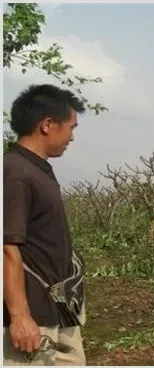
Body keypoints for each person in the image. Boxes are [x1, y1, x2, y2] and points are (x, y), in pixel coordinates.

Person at [3, 84, 87, 365]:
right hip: (32, 319)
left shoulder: (36, 170)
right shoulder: (14, 172)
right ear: (47, 125)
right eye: (71, 127)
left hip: (55, 309)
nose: (72, 137)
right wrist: (19, 316)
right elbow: (6, 248)